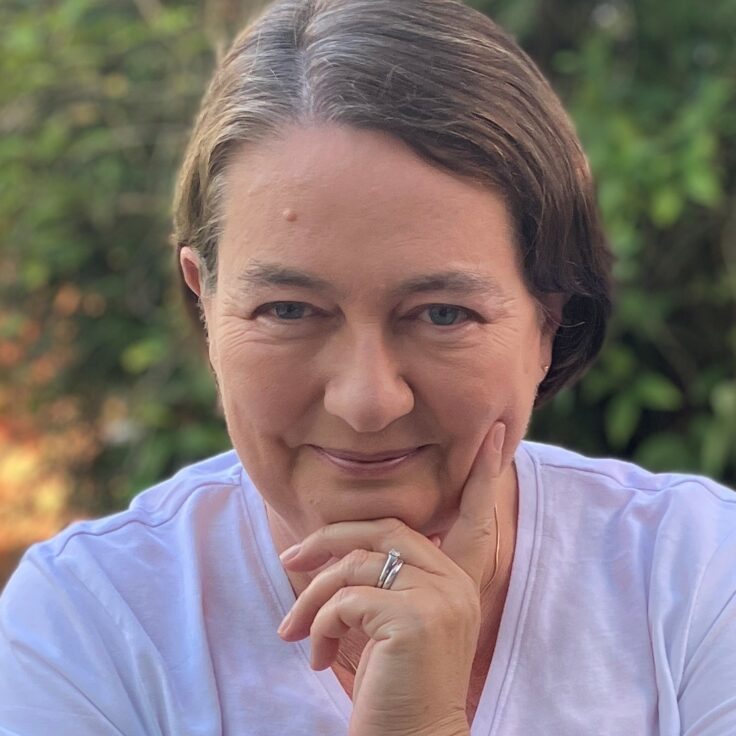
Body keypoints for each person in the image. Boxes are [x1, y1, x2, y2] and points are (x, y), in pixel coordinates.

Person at [1, 0, 734, 733]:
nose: (367, 402)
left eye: (442, 313)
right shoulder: (89, 624)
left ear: (546, 324)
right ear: (206, 303)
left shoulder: (694, 578)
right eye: (289, 309)